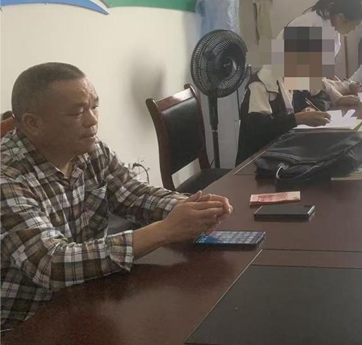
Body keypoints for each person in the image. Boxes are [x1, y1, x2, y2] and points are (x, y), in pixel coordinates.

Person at [0, 63, 234, 331]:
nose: (92, 120)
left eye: (94, 107)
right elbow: (52, 264)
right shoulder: (6, 177)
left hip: (87, 295)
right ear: (33, 123)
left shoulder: (90, 151)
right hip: (27, 325)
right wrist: (165, 230)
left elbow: (133, 194)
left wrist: (192, 208)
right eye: (77, 112)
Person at [236, 27, 333, 164]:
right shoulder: (261, 84)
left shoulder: (292, 79)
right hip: (256, 162)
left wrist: (309, 109)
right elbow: (258, 131)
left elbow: (321, 97)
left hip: (283, 153)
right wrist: (297, 119)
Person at [281, 0, 362, 60]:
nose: (354, 29)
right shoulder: (309, 25)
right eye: (353, 25)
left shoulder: (333, 29)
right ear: (341, 17)